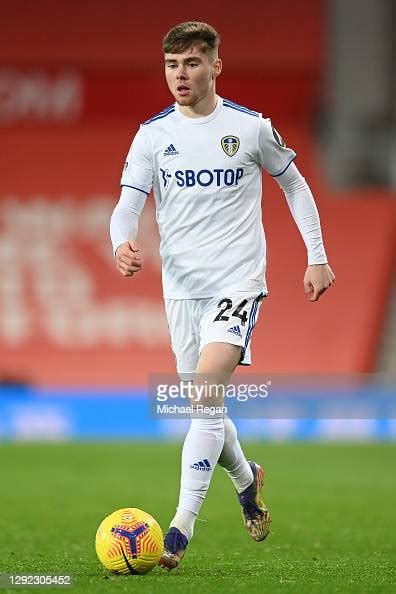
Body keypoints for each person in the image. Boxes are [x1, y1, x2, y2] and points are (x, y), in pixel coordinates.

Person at [110, 21, 335, 571]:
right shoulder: (151, 135)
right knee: (203, 406)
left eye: (190, 63)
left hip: (237, 282)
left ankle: (179, 530)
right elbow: (127, 204)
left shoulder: (250, 129)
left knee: (206, 391)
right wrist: (122, 242)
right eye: (171, 65)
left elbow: (295, 185)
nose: (180, 75)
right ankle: (245, 477)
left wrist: (317, 254)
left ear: (215, 65)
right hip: (181, 291)